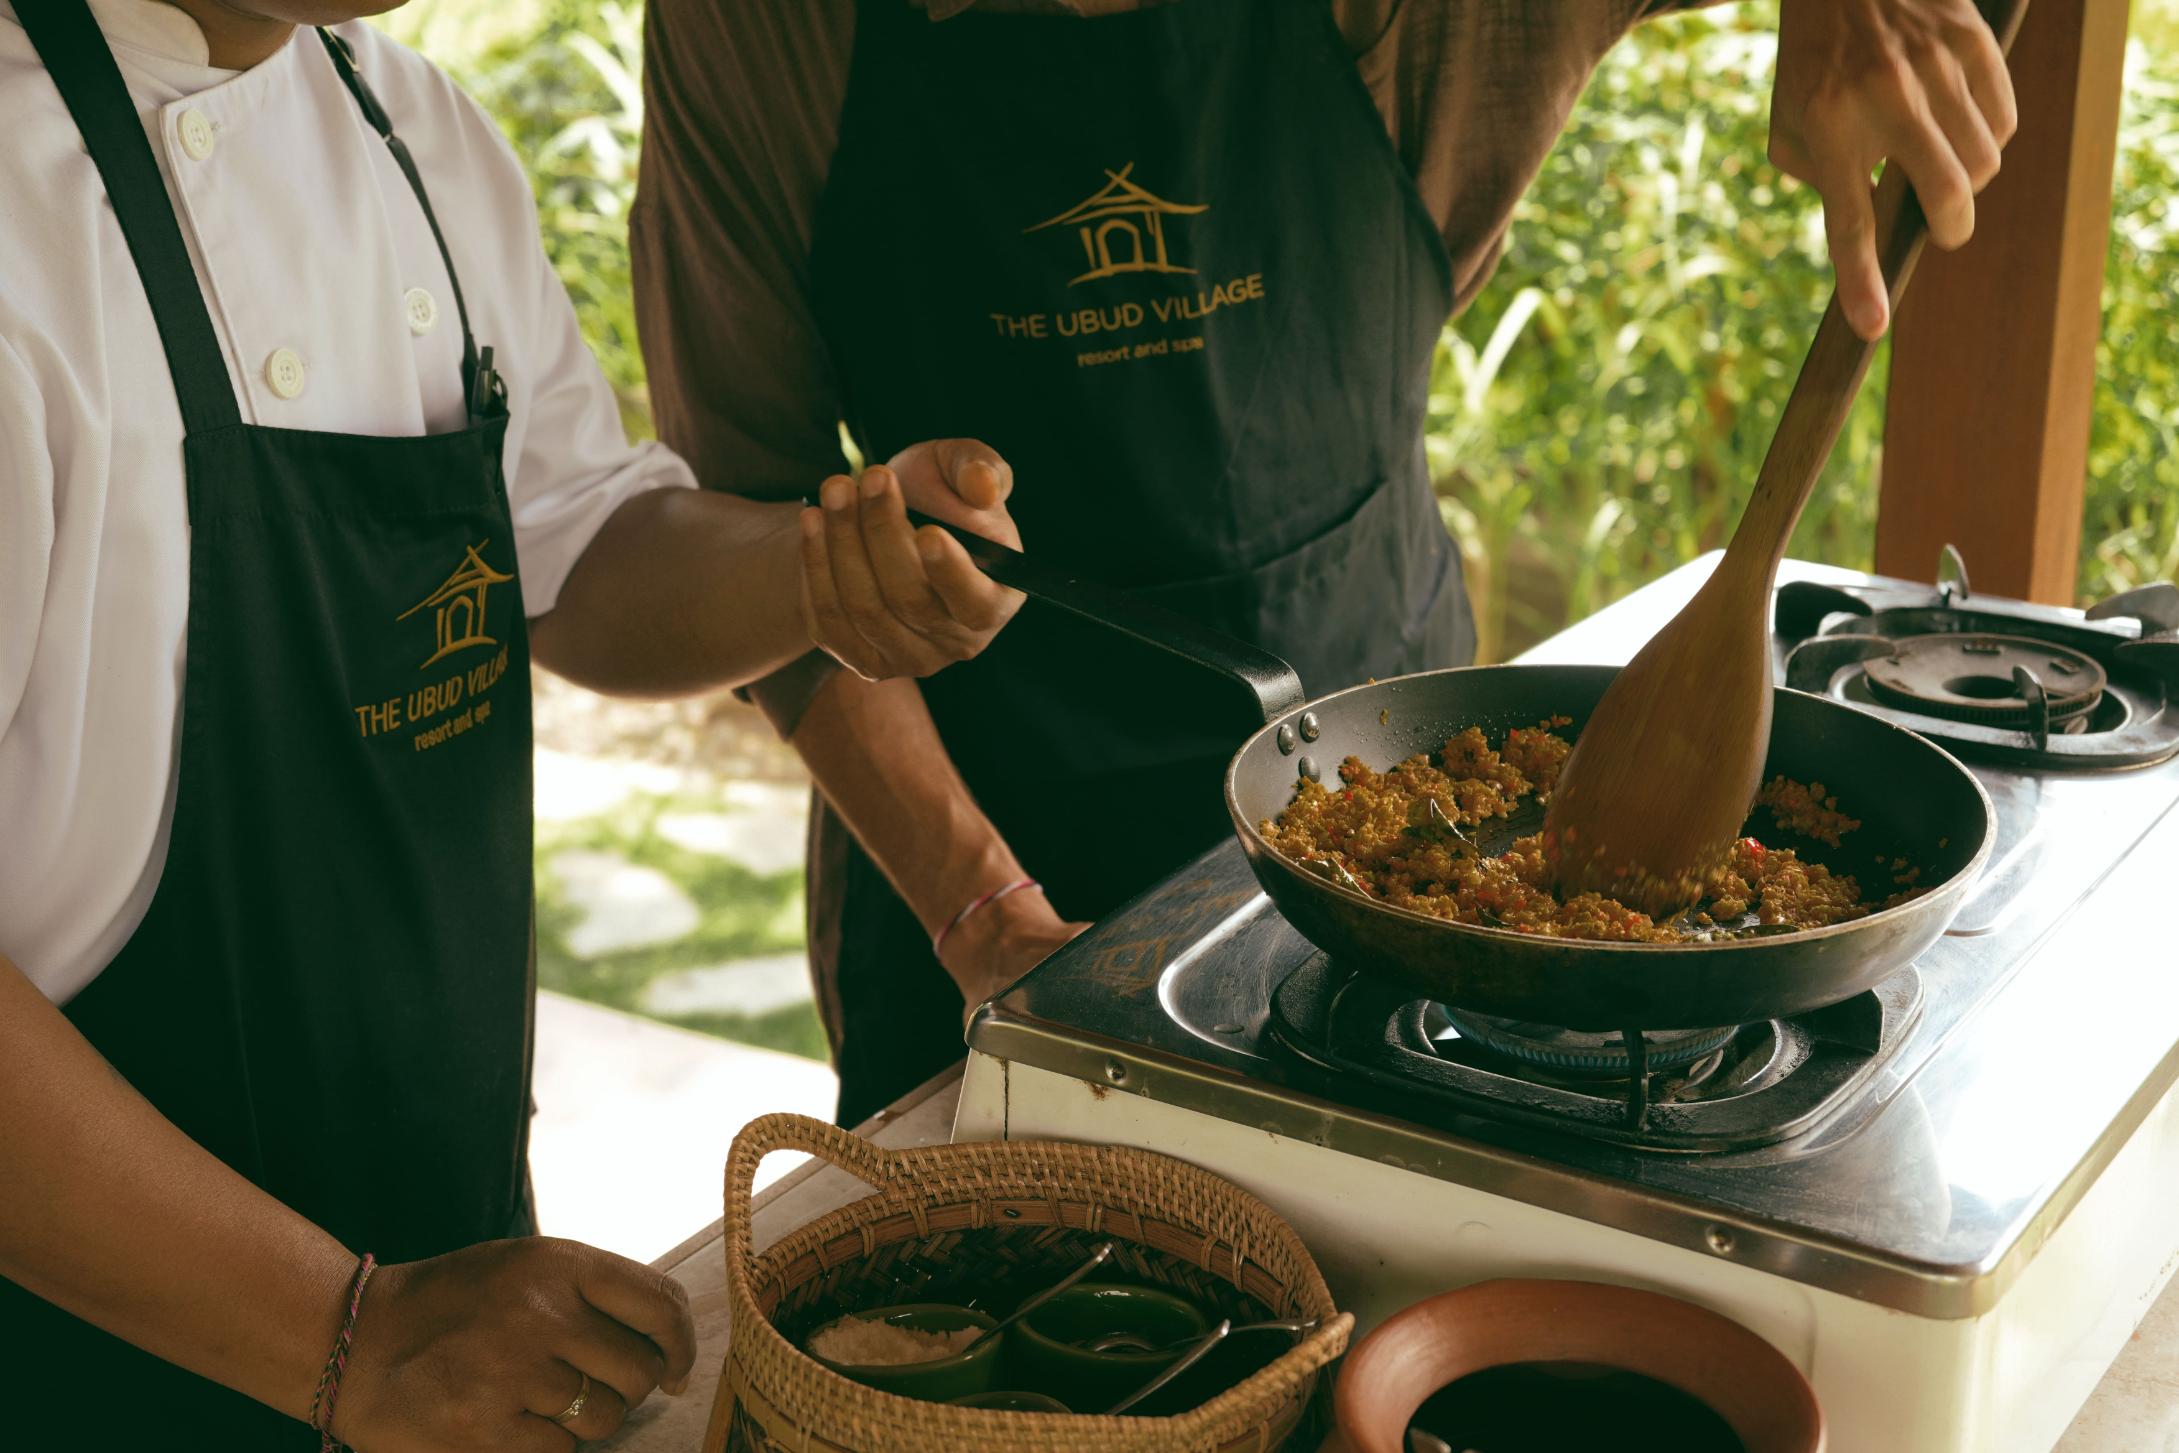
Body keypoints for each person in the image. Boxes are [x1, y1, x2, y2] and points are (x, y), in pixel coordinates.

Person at [631, 0, 2020, 1126]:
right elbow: (751, 518)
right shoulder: (764, 30)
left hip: (1413, 837)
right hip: (975, 867)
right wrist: (980, 905)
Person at [0, 0, 1023, 1446]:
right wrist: (346, 1333)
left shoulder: (409, 131)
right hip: (92, 1331)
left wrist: (817, 569)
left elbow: (572, 541)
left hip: (451, 1265)